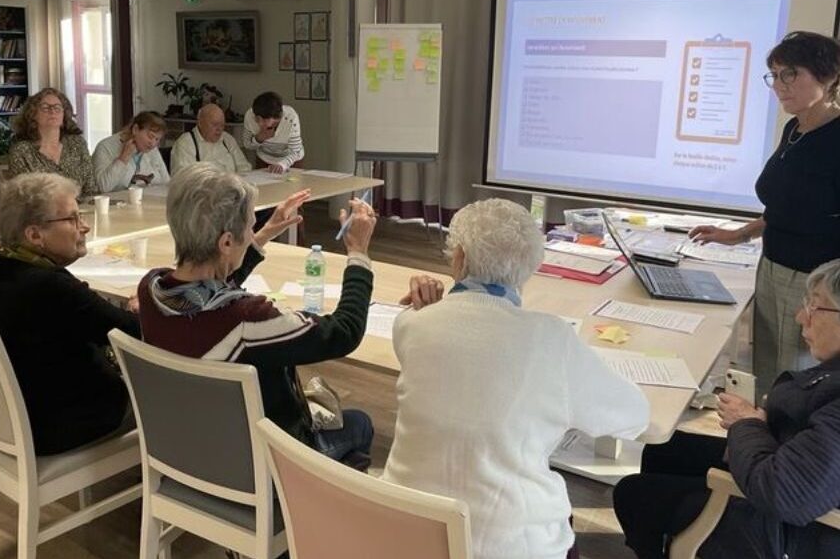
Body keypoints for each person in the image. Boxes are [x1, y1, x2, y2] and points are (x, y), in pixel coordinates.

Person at [381, 198, 649, 559]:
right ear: (532, 265)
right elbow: (634, 417)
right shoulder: (552, 339)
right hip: (509, 546)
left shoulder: (411, 325)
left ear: (458, 258)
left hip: (406, 533)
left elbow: (458, 358)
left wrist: (432, 308)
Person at [137, 163, 376, 465]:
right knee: (360, 424)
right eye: (249, 228)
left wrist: (260, 237)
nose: (251, 233)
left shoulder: (152, 289)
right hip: (257, 464)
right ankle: (306, 508)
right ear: (225, 242)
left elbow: (210, 296)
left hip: (188, 448)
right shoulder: (248, 319)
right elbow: (344, 332)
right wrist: (358, 253)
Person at [613, 258, 840, 559]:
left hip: (786, 531)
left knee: (633, 494)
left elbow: (785, 493)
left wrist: (747, 424)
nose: (801, 317)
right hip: (785, 459)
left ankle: (688, 541)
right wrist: (758, 426)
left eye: (814, 307)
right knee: (663, 449)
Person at [690, 31, 840, 398]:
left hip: (814, 280)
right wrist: (736, 235)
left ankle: (790, 450)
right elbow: (784, 208)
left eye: (791, 74)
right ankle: (761, 435)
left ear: (828, 76)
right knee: (768, 369)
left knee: (798, 379)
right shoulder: (795, 128)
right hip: (772, 265)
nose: (779, 85)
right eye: (774, 75)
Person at [0, 173, 139, 455]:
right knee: (160, 390)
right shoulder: (52, 287)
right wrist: (138, 309)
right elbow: (133, 333)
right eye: (73, 219)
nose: (85, 227)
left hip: (0, 418)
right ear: (34, 235)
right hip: (53, 427)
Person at [7, 88, 98, 197]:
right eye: (45, 108)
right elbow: (24, 197)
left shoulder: (77, 144)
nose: (52, 111)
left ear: (64, 115)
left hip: (81, 210)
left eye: (57, 107)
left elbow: (91, 190)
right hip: (41, 212)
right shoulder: (21, 151)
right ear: (32, 115)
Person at [92, 110, 170, 192]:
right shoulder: (105, 147)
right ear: (135, 129)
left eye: (157, 139)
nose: (153, 143)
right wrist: (123, 158)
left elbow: (167, 182)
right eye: (150, 136)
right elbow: (102, 187)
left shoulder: (152, 149)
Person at [169, 103, 251, 175]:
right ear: (200, 123)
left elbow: (244, 167)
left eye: (222, 125)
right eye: (215, 124)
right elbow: (184, 178)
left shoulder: (227, 139)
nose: (219, 129)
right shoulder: (186, 143)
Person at [242, 91, 304, 173]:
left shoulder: (290, 117)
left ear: (277, 118)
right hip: (263, 158)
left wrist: (282, 164)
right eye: (257, 119)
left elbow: (296, 151)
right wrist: (259, 138)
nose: (260, 123)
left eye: (264, 120)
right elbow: (247, 145)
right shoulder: (250, 115)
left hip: (290, 160)